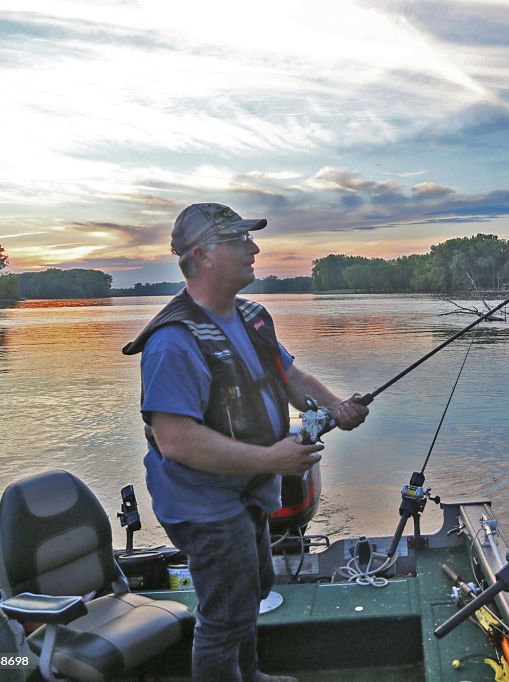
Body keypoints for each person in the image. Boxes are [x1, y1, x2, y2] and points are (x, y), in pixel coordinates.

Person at [123, 203, 369, 682]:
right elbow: (176, 441)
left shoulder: (253, 316)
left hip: (248, 490)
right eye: (239, 240)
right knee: (224, 617)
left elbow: (288, 375)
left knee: (253, 590)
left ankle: (250, 675)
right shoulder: (173, 342)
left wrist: (337, 406)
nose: (253, 248)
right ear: (203, 255)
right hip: (203, 504)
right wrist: (272, 458)